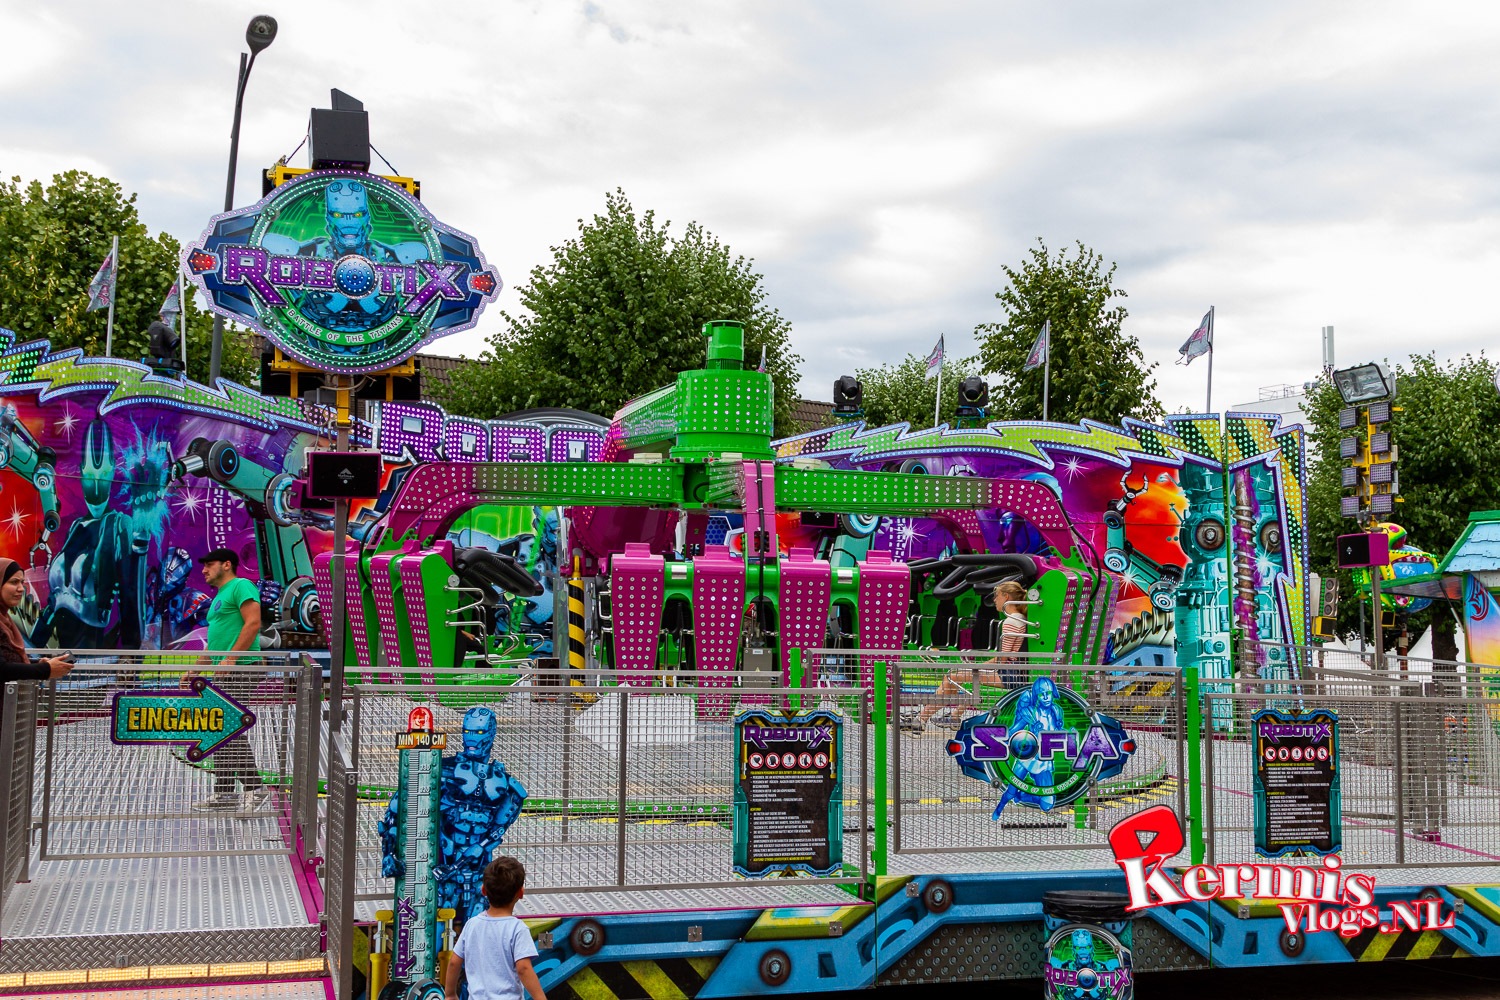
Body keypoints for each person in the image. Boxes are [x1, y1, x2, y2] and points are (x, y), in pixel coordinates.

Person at [187, 548, 267, 812]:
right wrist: (194, 670)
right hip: (226, 671)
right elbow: (215, 644)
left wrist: (231, 659)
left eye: (209, 564)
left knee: (228, 727)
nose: (203, 570)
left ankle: (255, 788)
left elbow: (253, 623)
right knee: (218, 729)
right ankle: (225, 793)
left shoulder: (241, 586)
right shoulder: (219, 597)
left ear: (227, 564)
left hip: (242, 669)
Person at [918, 581, 1033, 727]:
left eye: (997, 595)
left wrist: (977, 666)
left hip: (1008, 675)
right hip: (1015, 673)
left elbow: (1002, 658)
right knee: (962, 677)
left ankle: (921, 719)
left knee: (952, 676)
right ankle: (953, 716)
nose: (994, 600)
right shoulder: (1022, 619)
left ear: (1006, 596)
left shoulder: (1011, 621)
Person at [444, 856, 547, 1000]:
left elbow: (454, 962)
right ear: (521, 893)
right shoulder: (517, 929)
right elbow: (523, 968)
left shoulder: (472, 924)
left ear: (483, 890)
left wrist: (450, 994)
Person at [0, 560, 73, 708]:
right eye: (14, 582)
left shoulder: (5, 621)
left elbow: (8, 661)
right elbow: (2, 669)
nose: (21, 589)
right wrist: (45, 670)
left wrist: (37, 663)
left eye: (22, 582)